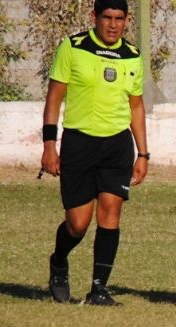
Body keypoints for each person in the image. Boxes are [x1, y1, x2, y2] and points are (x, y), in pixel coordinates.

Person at [41, 0, 148, 306]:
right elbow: (54, 98)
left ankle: (99, 289)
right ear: (94, 17)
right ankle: (59, 261)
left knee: (111, 212)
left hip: (117, 145)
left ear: (126, 21)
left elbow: (136, 105)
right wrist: (50, 145)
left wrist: (144, 153)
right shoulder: (72, 48)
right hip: (79, 143)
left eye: (119, 19)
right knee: (77, 224)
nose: (113, 24)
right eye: (107, 18)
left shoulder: (132, 55)